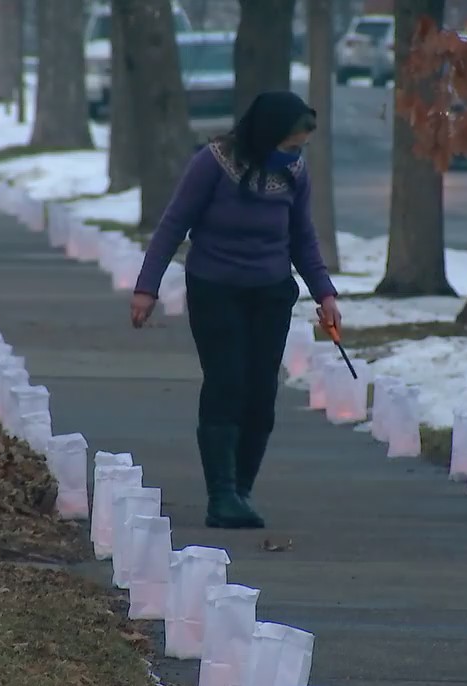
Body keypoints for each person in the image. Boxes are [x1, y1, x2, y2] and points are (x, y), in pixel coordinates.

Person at [129, 91, 341, 530]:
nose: (295, 154)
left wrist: (325, 294)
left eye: (300, 146)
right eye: (288, 145)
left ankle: (241, 489)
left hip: (271, 293)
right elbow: (173, 224)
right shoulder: (213, 163)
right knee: (227, 384)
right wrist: (146, 288)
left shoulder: (296, 174)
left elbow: (302, 237)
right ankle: (220, 494)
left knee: (261, 394)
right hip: (215, 290)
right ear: (266, 136)